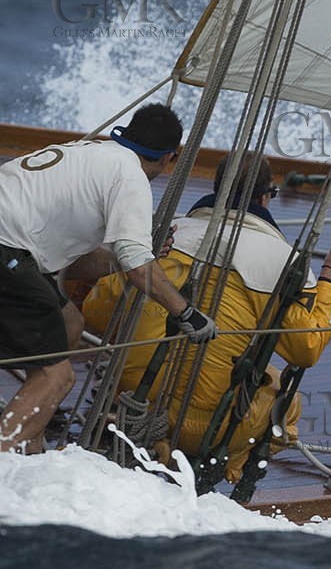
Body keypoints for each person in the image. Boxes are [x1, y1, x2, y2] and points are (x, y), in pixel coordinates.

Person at [82, 152, 331, 480]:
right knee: (285, 400)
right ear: (265, 197)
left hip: (137, 401)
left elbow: (95, 314)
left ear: (216, 187)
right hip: (209, 429)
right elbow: (305, 351)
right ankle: (225, 468)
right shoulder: (284, 263)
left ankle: (151, 445)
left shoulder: (160, 236)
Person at [0, 104, 216, 453]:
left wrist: (127, 258)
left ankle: (33, 436)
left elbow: (80, 262)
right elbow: (136, 264)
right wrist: (186, 313)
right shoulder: (130, 176)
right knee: (60, 376)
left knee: (69, 322)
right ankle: (4, 457)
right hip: (6, 250)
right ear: (169, 157)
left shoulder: (90, 152)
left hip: (12, 250)